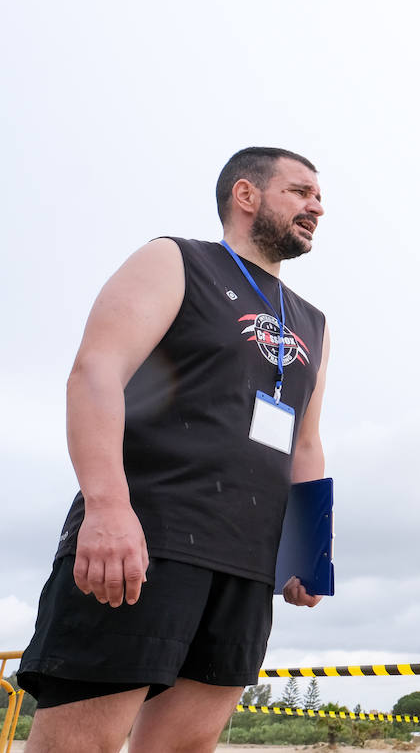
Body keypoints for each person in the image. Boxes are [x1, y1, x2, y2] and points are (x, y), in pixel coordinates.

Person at [16, 147, 331, 753]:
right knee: (80, 744)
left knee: (184, 747)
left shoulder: (312, 322)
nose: (316, 206)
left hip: (246, 557)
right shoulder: (175, 260)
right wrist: (108, 509)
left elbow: (307, 440)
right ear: (247, 195)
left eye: (318, 197)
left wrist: (309, 547)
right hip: (148, 536)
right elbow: (95, 373)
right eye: (299, 192)